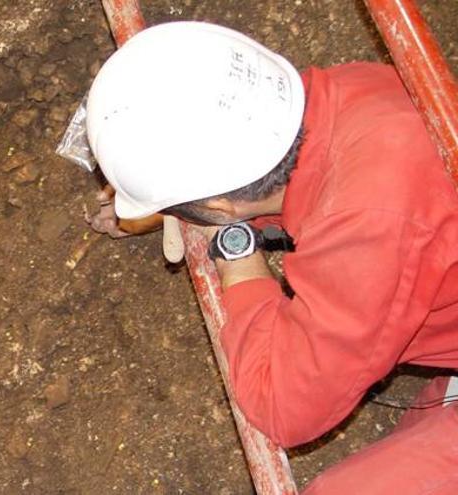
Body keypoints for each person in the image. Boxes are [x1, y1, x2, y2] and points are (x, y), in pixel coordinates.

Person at [84, 21, 458, 493]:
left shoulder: (367, 234)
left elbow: (284, 405)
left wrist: (235, 254)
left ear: (220, 209)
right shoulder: (354, 87)